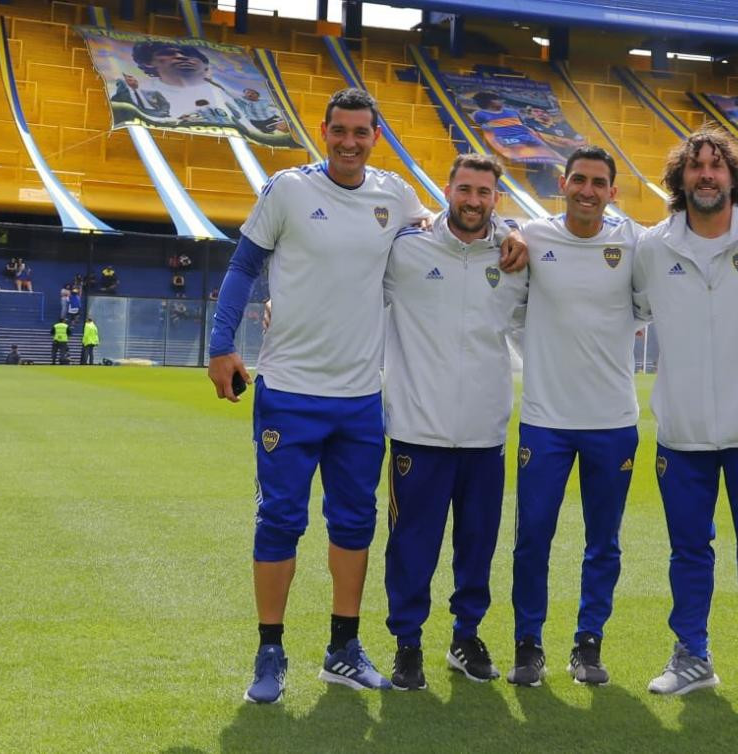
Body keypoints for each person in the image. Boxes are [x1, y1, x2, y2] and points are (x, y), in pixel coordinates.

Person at [206, 88, 525, 705]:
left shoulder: (394, 195)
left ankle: (342, 650)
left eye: (362, 133)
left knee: (354, 523)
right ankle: (269, 650)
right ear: (323, 131)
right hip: (291, 388)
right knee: (280, 521)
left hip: (359, 397)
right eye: (340, 131)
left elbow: (452, 228)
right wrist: (222, 344)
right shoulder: (288, 190)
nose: (350, 143)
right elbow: (243, 265)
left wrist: (512, 229)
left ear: (375, 137)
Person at [633, 127, 738, 703]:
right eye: (695, 166)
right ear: (680, 179)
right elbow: (621, 304)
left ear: (734, 176)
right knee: (688, 551)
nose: (706, 175)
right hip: (682, 434)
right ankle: (692, 657)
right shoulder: (653, 246)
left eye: (716, 166)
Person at [381, 153, 527, 691]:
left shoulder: (515, 257)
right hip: (418, 430)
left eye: (484, 193)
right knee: (411, 544)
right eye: (464, 189)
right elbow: (349, 283)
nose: (472, 201)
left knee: (477, 544)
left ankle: (466, 636)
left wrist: (521, 234)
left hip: (485, 432)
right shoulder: (407, 249)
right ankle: (408, 643)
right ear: (446, 189)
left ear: (497, 198)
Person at [507, 146, 644, 688]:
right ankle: (527, 644)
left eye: (599, 182)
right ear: (562, 184)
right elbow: (479, 222)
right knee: (532, 536)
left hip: (612, 420)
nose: (588, 190)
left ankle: (589, 644)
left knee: (602, 540)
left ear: (613, 191)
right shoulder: (533, 236)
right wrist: (511, 228)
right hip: (546, 419)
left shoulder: (634, 241)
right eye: (579, 180)